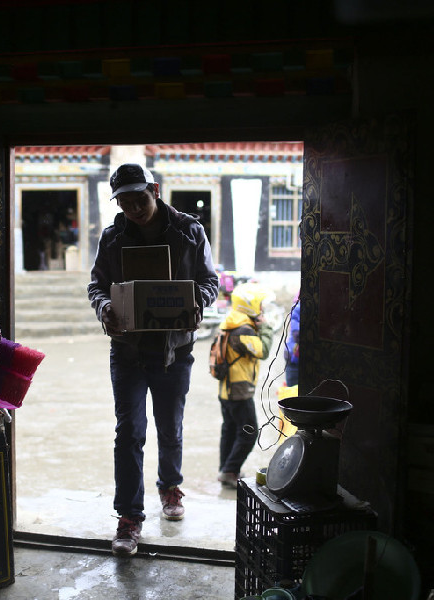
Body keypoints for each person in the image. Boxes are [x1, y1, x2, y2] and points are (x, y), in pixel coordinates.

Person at [87, 163, 219, 557]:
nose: (133, 209)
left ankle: (169, 486)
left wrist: (197, 299)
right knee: (129, 432)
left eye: (138, 199)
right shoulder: (112, 239)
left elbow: (210, 281)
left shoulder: (189, 231)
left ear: (155, 190)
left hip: (173, 350)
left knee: (169, 425)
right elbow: (97, 285)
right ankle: (129, 518)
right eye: (124, 203)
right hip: (127, 351)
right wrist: (105, 306)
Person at [216, 282, 275, 489]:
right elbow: (263, 350)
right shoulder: (243, 330)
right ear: (251, 306)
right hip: (239, 390)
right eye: (259, 304)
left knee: (230, 430)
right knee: (250, 433)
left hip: (226, 389)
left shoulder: (231, 322)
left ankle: (225, 470)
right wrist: (266, 327)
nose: (261, 309)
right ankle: (231, 470)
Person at [284, 297, 300, 387]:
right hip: (293, 358)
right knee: (293, 391)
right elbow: (297, 335)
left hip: (295, 356)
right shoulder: (297, 308)